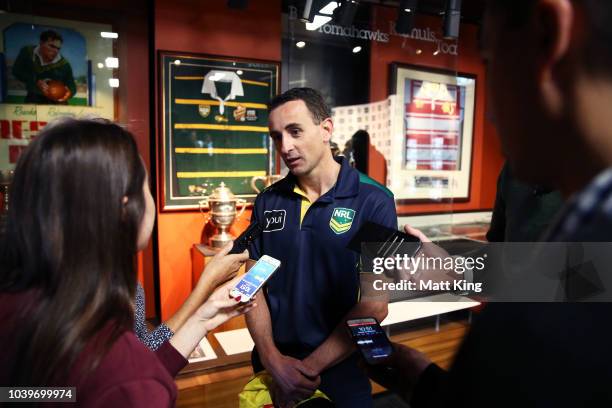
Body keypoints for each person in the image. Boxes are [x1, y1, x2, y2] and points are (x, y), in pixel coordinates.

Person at [366, 1, 612, 406]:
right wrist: (423, 380)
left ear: (550, 35)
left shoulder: (541, 331)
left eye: (491, 60)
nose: (491, 114)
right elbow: (579, 279)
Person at [0, 118, 254, 406]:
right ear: (125, 208)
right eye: (146, 187)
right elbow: (132, 374)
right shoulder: (125, 376)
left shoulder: (20, 302)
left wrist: (201, 319)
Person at [246, 87, 398, 407]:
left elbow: (375, 306)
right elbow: (252, 285)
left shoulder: (375, 200)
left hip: (339, 371)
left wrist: (305, 370)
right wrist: (273, 359)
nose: (285, 147)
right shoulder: (267, 201)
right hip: (272, 368)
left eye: (295, 131)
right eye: (277, 136)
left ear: (326, 129)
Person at [12, 30, 77, 104]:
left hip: (57, 102)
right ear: (41, 43)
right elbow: (16, 71)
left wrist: (69, 93)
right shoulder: (27, 52)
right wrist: (35, 81)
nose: (55, 51)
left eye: (58, 48)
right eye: (52, 46)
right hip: (34, 98)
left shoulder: (64, 64)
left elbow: (72, 85)